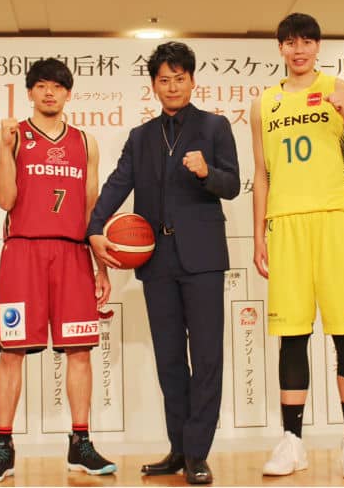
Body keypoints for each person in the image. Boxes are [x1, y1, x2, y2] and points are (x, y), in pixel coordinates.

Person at [87, 42, 240, 485]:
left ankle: (197, 453)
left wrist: (206, 172)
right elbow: (118, 184)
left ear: (192, 81)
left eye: (179, 78)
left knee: (207, 357)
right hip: (157, 262)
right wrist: (93, 228)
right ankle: (178, 449)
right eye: (164, 80)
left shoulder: (214, 126)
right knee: (169, 360)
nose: (172, 87)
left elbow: (232, 185)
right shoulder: (141, 137)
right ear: (153, 86)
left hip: (203, 259)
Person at [0, 58, 115, 483]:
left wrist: (101, 268)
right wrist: (5, 150)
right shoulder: (12, 135)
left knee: (79, 350)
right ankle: (3, 447)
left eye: (57, 86)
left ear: (68, 93)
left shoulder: (86, 142)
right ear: (30, 92)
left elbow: (90, 209)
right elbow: (5, 199)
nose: (49, 92)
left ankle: (80, 443)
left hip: (73, 253)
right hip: (23, 252)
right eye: (41, 86)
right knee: (12, 351)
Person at [250, 13, 344, 479]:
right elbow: (261, 173)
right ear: (280, 48)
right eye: (290, 42)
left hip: (335, 219)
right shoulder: (264, 103)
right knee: (292, 335)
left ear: (318, 46)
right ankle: (292, 441)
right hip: (286, 224)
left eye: (306, 41)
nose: (298, 49)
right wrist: (258, 233)